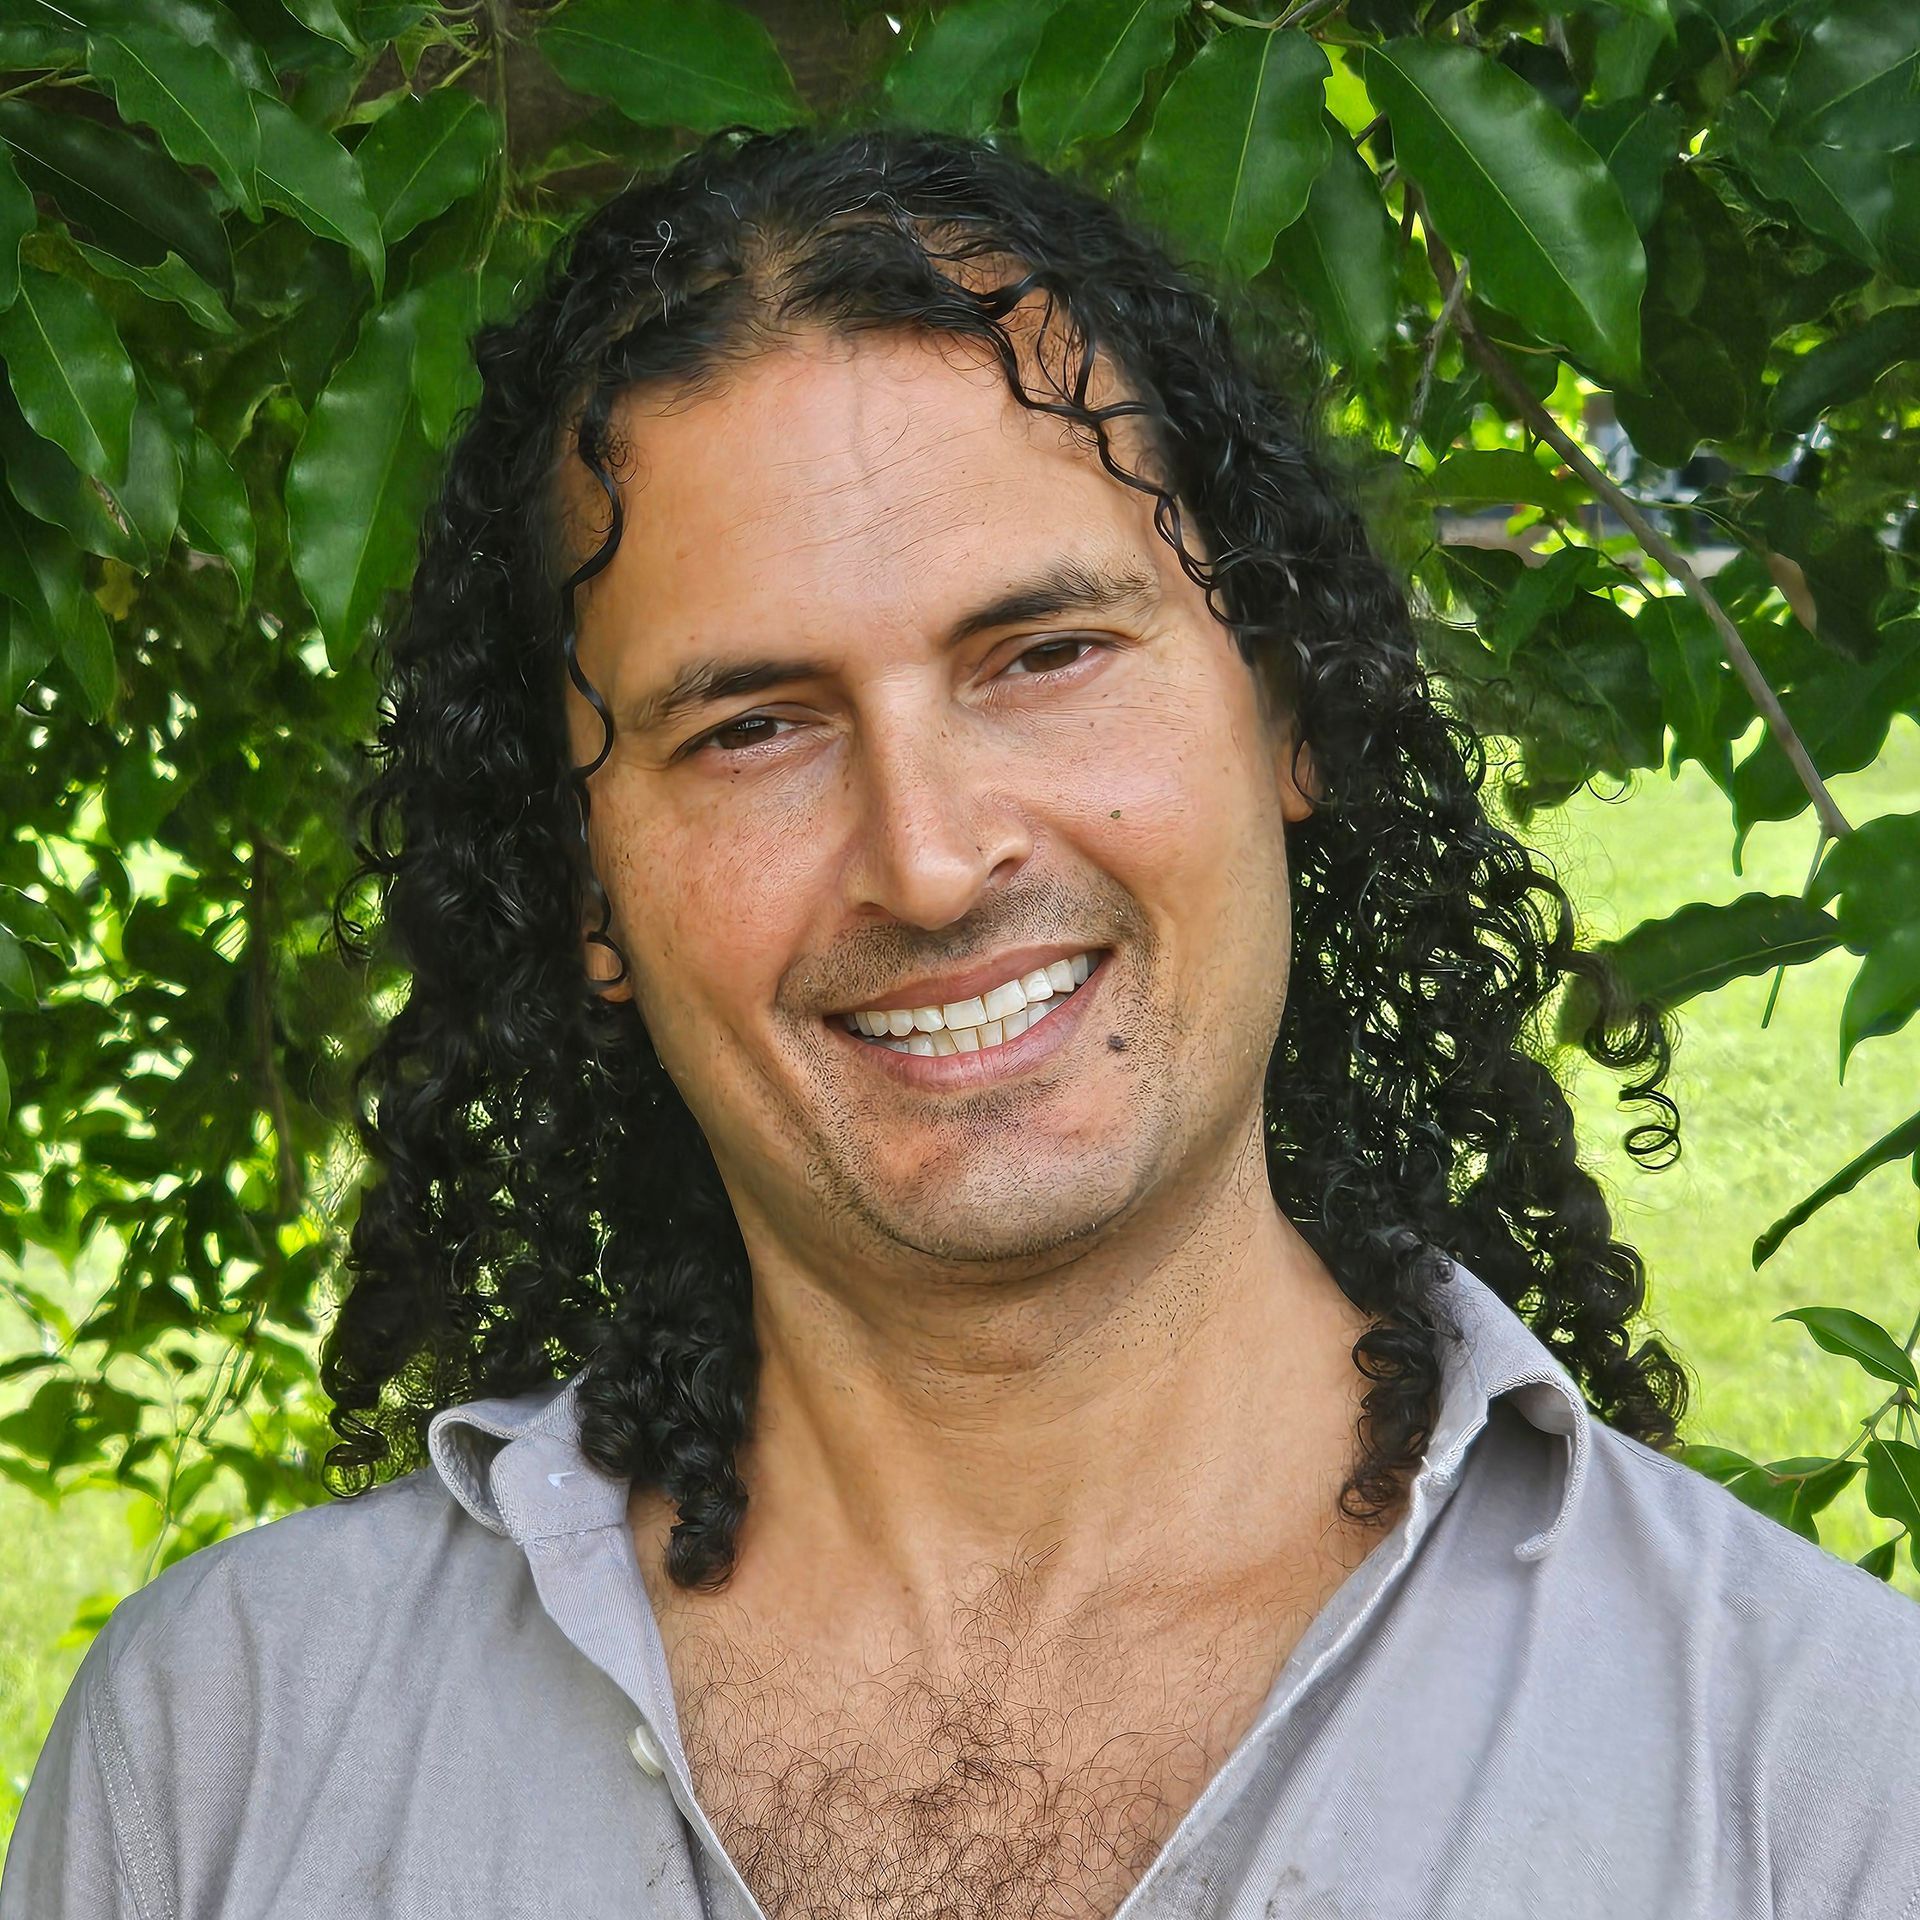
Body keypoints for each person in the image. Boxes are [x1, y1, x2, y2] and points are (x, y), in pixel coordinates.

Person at [5, 125, 1917, 1920]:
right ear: (583, 890)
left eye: (1046, 654)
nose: (926, 861)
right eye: (752, 726)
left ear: (1289, 718)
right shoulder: (226, 1761)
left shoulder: (1824, 1784)